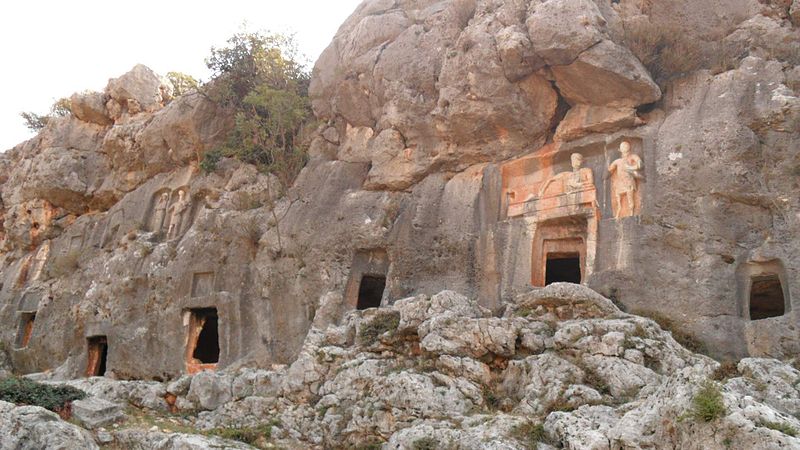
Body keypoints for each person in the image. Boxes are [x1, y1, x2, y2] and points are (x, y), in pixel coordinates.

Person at [608, 141, 643, 218]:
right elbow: (610, 169)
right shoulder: (617, 161)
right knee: (618, 196)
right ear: (619, 149)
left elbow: (640, 164)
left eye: (626, 145)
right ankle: (618, 213)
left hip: (628, 180)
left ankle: (631, 213)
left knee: (630, 197)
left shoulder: (633, 156)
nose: (624, 147)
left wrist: (630, 167)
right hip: (620, 181)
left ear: (629, 147)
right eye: (622, 146)